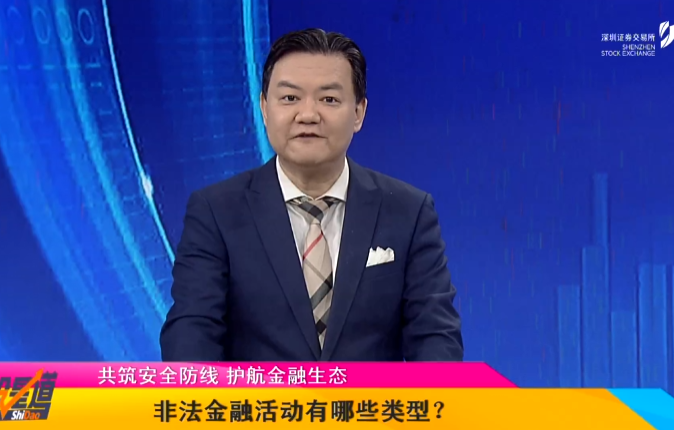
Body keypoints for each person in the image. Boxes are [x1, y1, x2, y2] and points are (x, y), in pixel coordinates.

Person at [160, 28, 464, 362]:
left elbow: (436, 338)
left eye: (329, 99)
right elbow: (192, 337)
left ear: (359, 112)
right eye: (290, 98)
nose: (308, 115)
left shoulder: (408, 211)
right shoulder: (215, 212)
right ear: (264, 108)